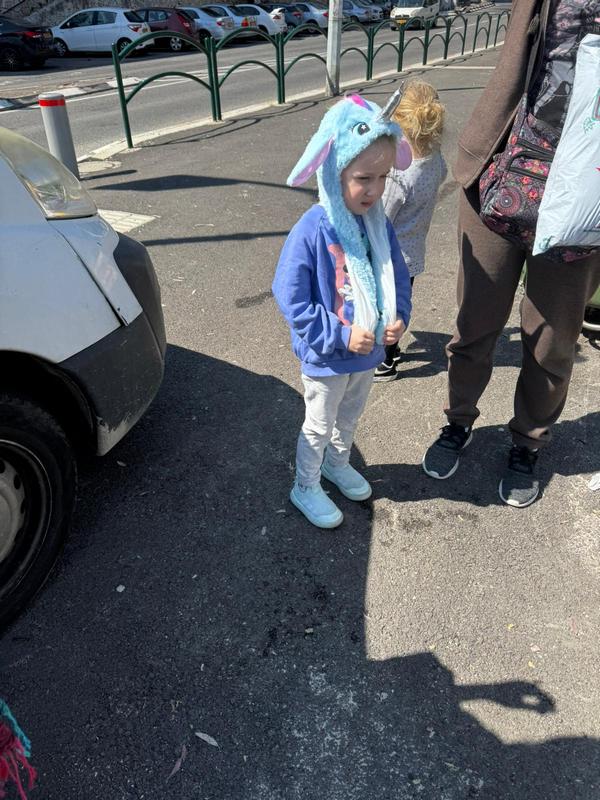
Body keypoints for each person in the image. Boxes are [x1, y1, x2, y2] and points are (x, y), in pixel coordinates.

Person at [422, 0, 600, 508]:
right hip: (503, 173)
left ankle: (528, 442)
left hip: (583, 200)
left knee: (552, 344)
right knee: (475, 324)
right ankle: (458, 421)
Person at [273, 91, 413, 529]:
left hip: (367, 353)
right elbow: (291, 296)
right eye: (363, 178)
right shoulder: (313, 227)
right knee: (318, 424)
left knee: (349, 417)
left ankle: (337, 464)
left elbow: (397, 275)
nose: (375, 189)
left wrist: (398, 318)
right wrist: (339, 334)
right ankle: (306, 484)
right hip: (328, 356)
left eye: (383, 177)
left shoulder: (377, 224)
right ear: (334, 171)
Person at [373, 81, 447, 382]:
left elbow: (381, 217)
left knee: (383, 308)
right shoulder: (434, 158)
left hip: (388, 255)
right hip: (413, 252)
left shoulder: (399, 173)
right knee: (399, 304)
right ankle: (391, 350)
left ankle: (384, 361)